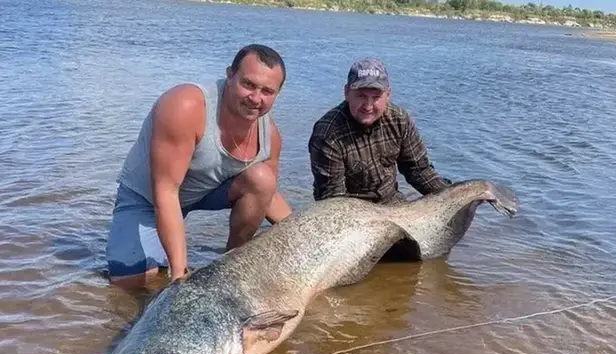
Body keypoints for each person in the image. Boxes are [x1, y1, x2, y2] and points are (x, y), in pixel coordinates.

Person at [106, 44, 292, 289]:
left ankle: (232, 263)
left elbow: (267, 194)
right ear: (229, 74)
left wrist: (305, 235)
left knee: (263, 178)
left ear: (277, 94)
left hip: (205, 191)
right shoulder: (185, 106)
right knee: (131, 282)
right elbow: (166, 192)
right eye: (248, 84)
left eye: (267, 91)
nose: (256, 98)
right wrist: (179, 276)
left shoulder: (271, 137)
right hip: (148, 197)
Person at [308, 58, 453, 204]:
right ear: (346, 93)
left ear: (388, 95)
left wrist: (452, 198)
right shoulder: (327, 134)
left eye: (376, 97)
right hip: (351, 211)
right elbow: (333, 198)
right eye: (361, 96)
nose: (368, 106)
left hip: (393, 203)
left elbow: (418, 170)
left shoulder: (399, 120)